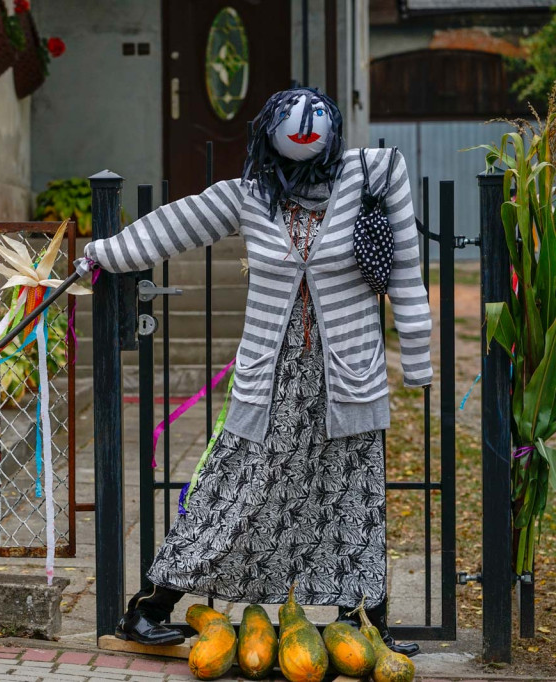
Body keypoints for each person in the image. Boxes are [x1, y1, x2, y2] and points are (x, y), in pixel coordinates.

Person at [81, 87, 429, 656]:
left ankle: (367, 622)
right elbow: (177, 223)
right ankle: (148, 609)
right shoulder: (251, 196)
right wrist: (104, 254)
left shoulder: (373, 176)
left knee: (355, 495)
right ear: (269, 134)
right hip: (272, 380)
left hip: (349, 375)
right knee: (233, 489)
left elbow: (408, 267)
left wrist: (417, 354)